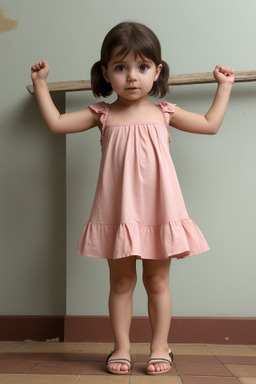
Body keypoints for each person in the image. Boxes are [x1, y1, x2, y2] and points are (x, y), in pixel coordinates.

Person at [31, 21, 234, 375]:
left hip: (159, 211)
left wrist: (225, 86)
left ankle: (160, 347)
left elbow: (210, 124)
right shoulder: (102, 114)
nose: (131, 77)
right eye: (121, 67)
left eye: (142, 67)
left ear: (157, 72)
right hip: (118, 213)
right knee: (121, 282)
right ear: (106, 73)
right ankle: (121, 346)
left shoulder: (164, 113)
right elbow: (57, 124)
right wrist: (41, 84)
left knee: (157, 281)